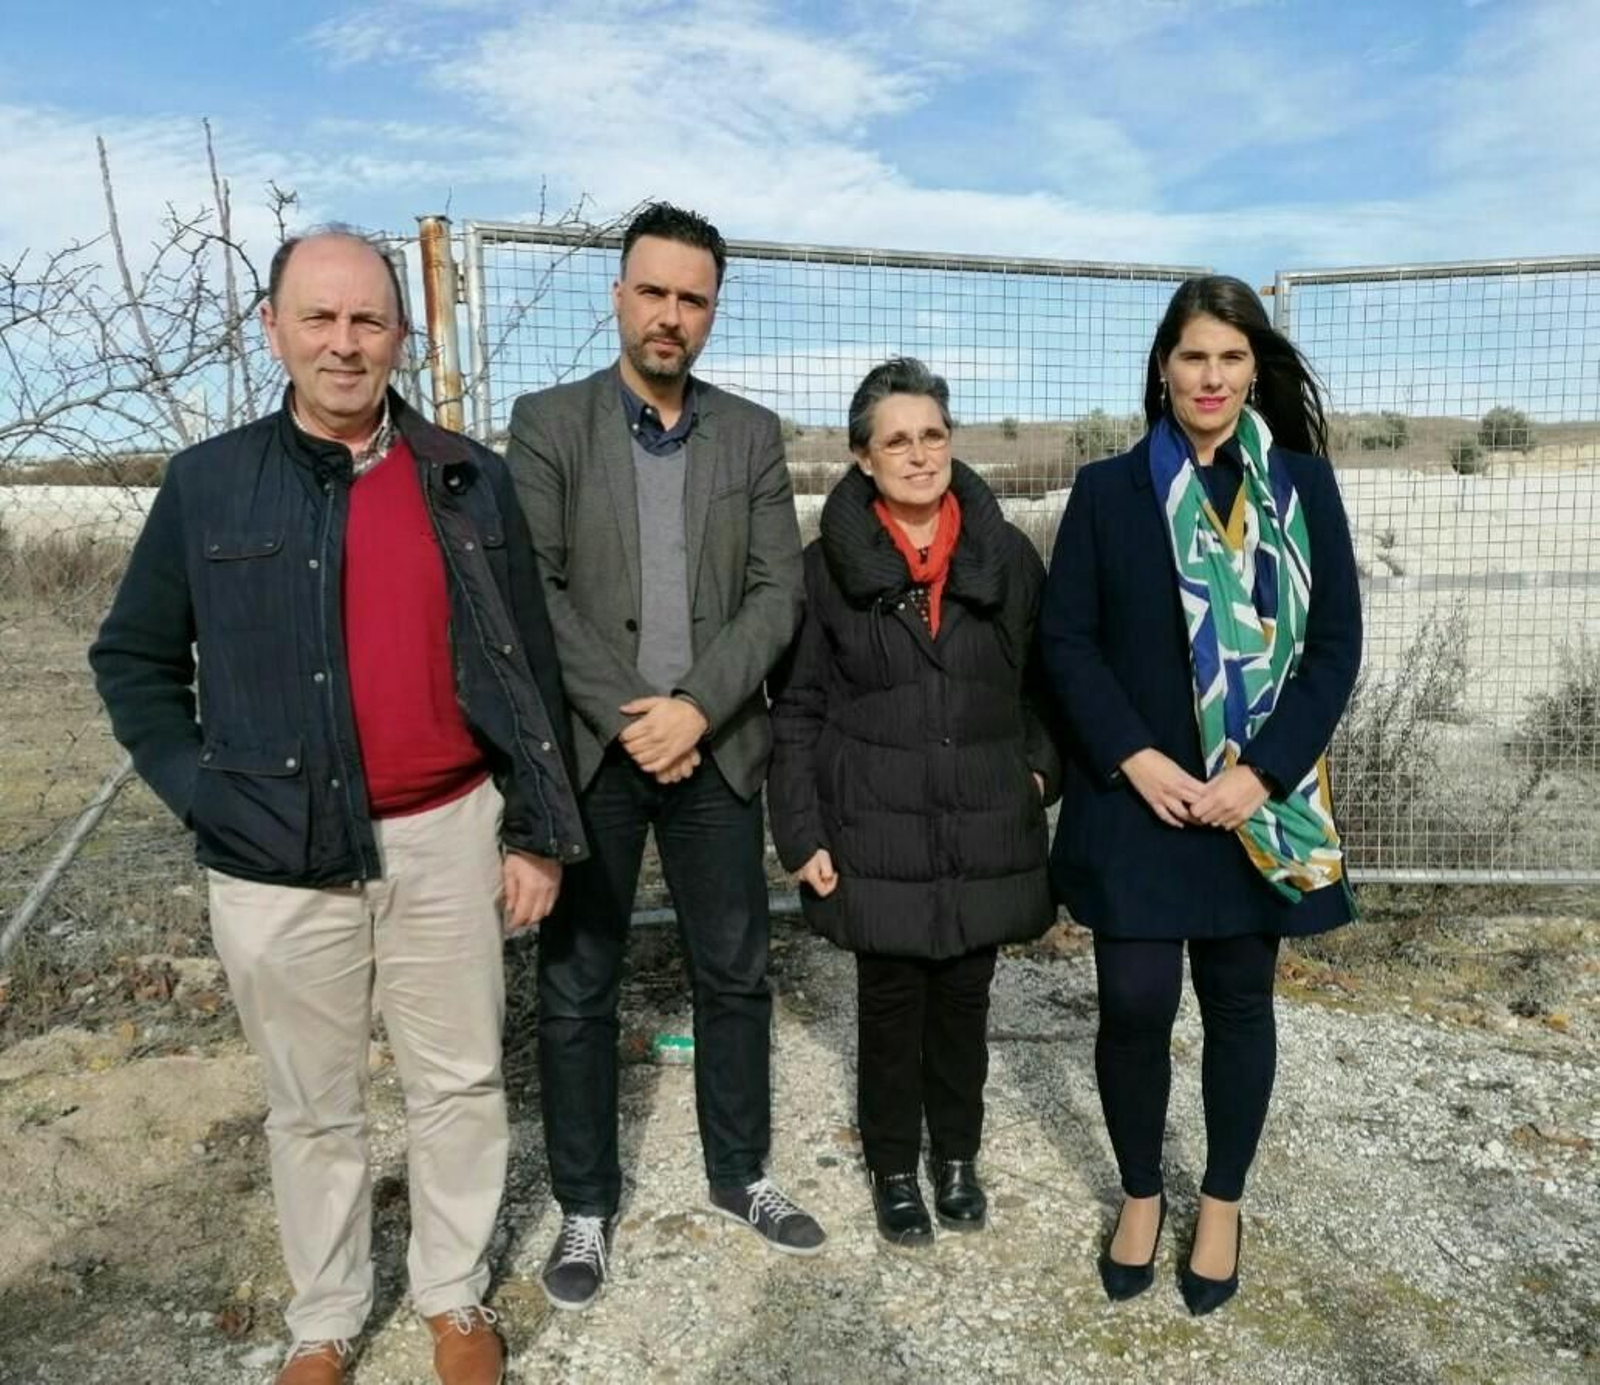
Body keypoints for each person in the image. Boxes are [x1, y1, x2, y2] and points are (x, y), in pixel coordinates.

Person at [89, 228, 585, 1385]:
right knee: (311, 1104)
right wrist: (203, 791)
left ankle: (453, 1294)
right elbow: (134, 661)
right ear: (273, 328)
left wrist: (535, 830)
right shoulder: (207, 483)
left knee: (457, 1079)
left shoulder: (467, 476)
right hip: (271, 854)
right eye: (319, 318)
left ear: (400, 335)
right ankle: (323, 1318)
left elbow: (527, 672)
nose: (344, 342)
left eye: (367, 320)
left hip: (446, 831)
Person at [504, 201, 822, 1310]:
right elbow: (530, 589)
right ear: (619, 296)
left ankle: (742, 1172)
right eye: (653, 291)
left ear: (711, 310)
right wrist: (638, 711)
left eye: (692, 297)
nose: (670, 315)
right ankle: (587, 1201)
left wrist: (695, 709)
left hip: (718, 750)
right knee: (578, 981)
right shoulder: (547, 424)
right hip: (595, 750)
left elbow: (777, 590)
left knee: (734, 972)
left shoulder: (749, 432)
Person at [1038, 275, 1361, 1314]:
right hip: (1140, 799)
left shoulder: (1302, 486)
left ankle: (1219, 1198)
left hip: (1251, 808)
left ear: (1250, 368)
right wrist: (1135, 757)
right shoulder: (1108, 490)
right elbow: (1064, 641)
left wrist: (1258, 775)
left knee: (1236, 1003)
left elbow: (1331, 647)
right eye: (1192, 357)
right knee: (1134, 1002)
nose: (1210, 376)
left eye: (1229, 357)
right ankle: (1141, 1188)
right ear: (1163, 371)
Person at [768, 358, 1060, 1246]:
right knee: (890, 1006)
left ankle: (958, 1157)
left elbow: (1047, 682)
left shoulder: (1005, 556)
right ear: (862, 458)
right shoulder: (824, 570)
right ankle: (895, 1166)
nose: (919, 453)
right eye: (897, 439)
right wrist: (802, 830)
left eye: (932, 434)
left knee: (967, 1003)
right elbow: (800, 710)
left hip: (982, 818)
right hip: (875, 829)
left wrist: (1040, 773)